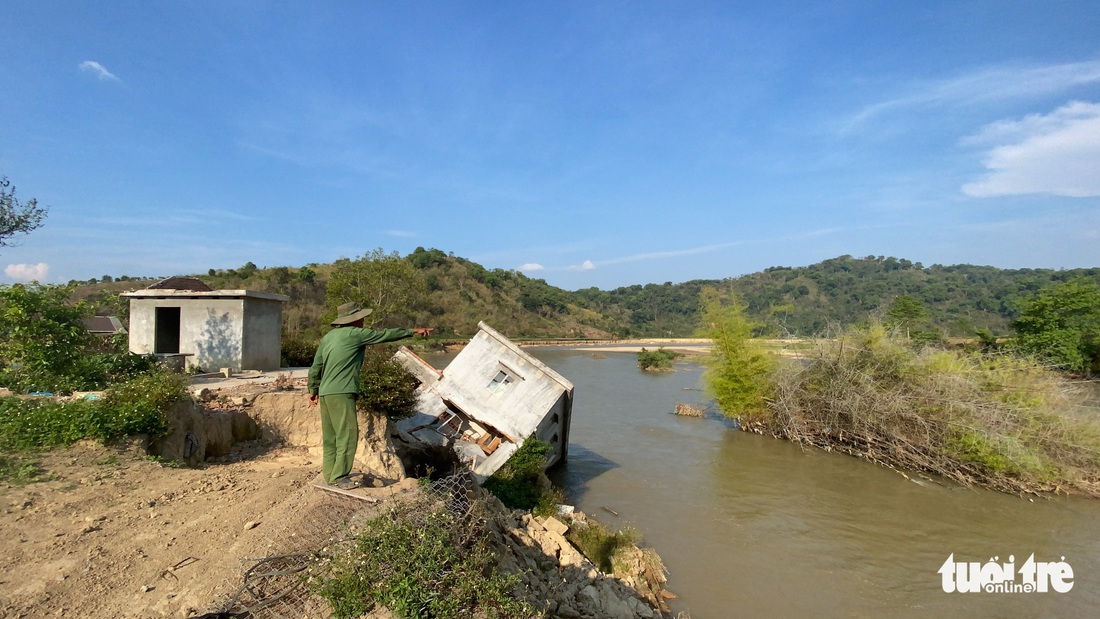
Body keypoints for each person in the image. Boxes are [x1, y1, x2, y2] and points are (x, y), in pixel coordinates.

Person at [307, 302, 431, 489]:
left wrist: (313, 389)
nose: (363, 320)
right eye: (361, 317)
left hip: (325, 392)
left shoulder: (328, 337)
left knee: (330, 436)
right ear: (354, 320)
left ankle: (330, 474)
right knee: (347, 434)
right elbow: (385, 335)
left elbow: (316, 366)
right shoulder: (356, 334)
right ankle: (340, 477)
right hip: (343, 391)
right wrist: (413, 331)